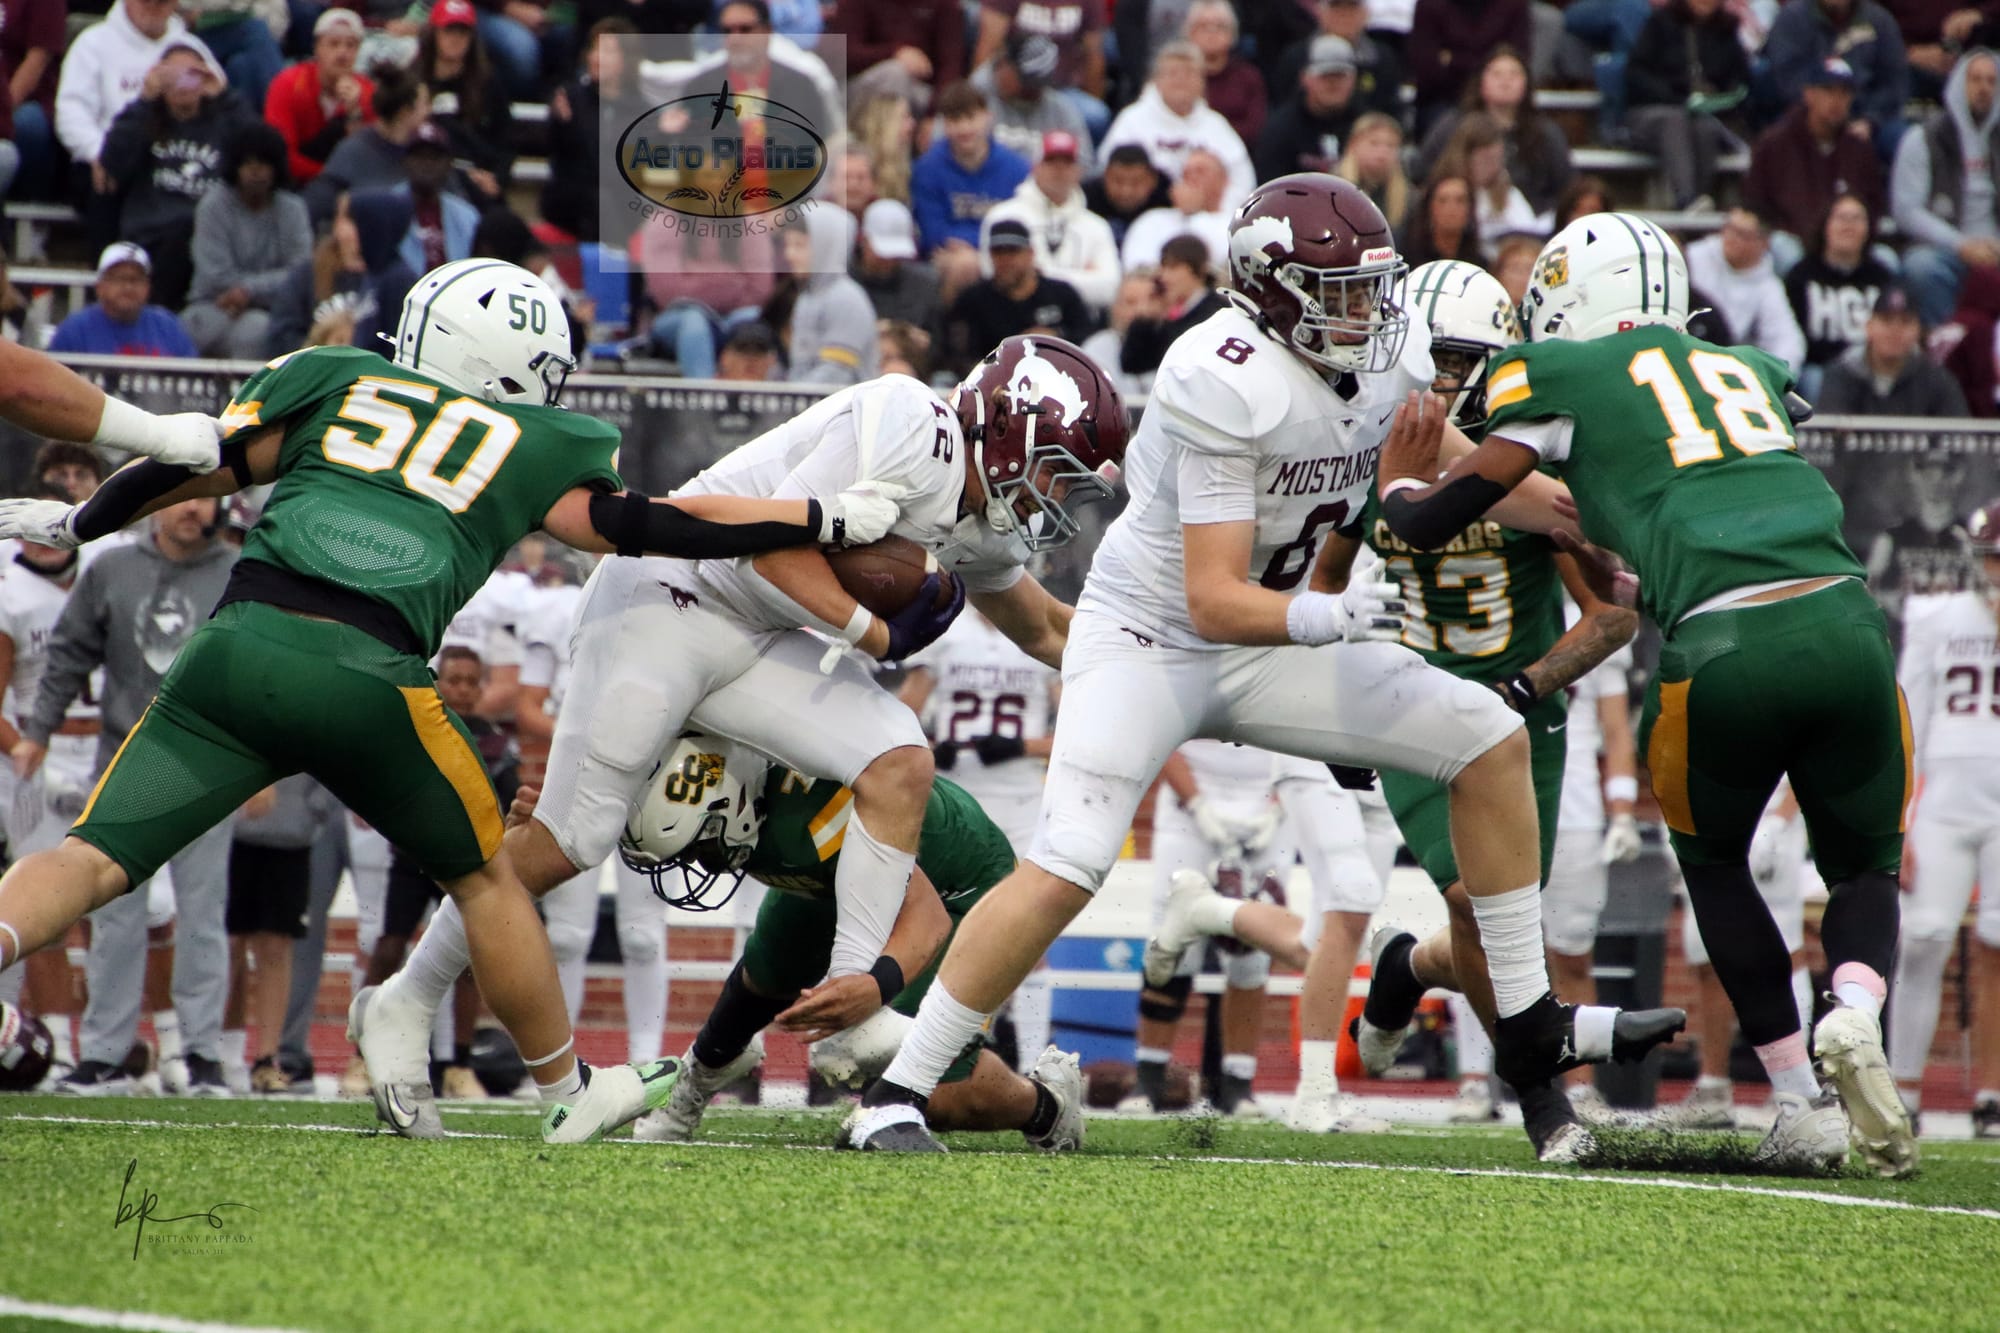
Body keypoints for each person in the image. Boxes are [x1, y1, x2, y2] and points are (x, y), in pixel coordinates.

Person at [844, 176, 1685, 1154]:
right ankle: (897, 1092)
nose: (1367, 312)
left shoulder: (1383, 357)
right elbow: (1211, 596)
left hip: (1273, 641)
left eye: (1372, 288)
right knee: (1068, 860)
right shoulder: (1221, 374)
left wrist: (1603, 522)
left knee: (1488, 736)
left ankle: (1530, 1021)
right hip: (1151, 640)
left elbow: (1471, 473)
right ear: (1273, 293)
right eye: (1342, 292)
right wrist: (1331, 615)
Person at [0, 258, 909, 1143]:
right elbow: (644, 526)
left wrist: (83, 520)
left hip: (237, 647)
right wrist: (818, 518)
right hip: (371, 675)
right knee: (487, 880)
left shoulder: (335, 375)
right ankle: (566, 1090)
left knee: (92, 856)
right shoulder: (533, 439)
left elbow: (202, 461)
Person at [355, 334, 1124, 1138]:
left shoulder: (984, 521)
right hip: (671, 594)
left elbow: (1045, 627)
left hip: (759, 635)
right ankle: (405, 998)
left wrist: (1155, 676)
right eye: (1055, 470)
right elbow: (763, 553)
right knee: (566, 840)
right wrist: (875, 633)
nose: (1054, 498)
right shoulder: (911, 421)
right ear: (1010, 426)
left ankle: (854, 1006)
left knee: (898, 758)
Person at [1374, 211, 1919, 1177]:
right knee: (1865, 872)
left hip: (1720, 645)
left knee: (1716, 868)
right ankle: (1856, 1006)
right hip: (1848, 623)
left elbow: (1429, 519)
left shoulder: (1557, 375)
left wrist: (1395, 487)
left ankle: (1798, 1099)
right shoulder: (1748, 366)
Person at [1352, 259, 1641, 1154]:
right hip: (1410, 701)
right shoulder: (1364, 446)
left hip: (1520, 717)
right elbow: (1319, 582)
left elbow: (1614, 614)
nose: (1440, 381)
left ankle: (1408, 965)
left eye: (1457, 360)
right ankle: (1541, 1097)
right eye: (1428, 357)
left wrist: (1524, 686)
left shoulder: (1527, 463)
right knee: (1477, 905)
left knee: (1492, 919)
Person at [600, 734, 1086, 1149]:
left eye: (702, 845)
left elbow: (926, 917)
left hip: (954, 887)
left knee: (909, 1075)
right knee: (764, 977)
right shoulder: (762, 806)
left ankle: (1046, 1105)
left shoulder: (813, 822)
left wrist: (875, 986)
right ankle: (688, 1091)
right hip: (827, 871)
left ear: (736, 805)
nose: (699, 863)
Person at [23, 497, 240, 1096]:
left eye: (205, 494)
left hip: (211, 762)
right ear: (157, 504)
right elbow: (68, 654)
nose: (193, 506)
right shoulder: (111, 569)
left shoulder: (242, 572)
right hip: (125, 760)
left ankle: (202, 1055)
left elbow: (262, 668)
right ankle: (106, 1054)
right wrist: (38, 731)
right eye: (182, 494)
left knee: (203, 915)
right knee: (114, 913)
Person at [1891, 503, 2000, 1139]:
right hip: (1947, 798)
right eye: (1990, 558)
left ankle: (1991, 1093)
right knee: (1925, 935)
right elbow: (1909, 720)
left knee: (1998, 944)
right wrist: (1901, 818)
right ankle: (1903, 1089)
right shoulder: (1937, 615)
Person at [98, 35, 256, 310]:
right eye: (173, 75)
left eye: (192, 74)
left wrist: (225, 97)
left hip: (213, 238)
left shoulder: (225, 122)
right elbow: (113, 162)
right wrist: (144, 100)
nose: (183, 82)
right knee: (180, 234)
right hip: (153, 237)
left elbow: (260, 152)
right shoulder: (144, 121)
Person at [898, 609, 1059, 857]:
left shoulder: (1038, 632)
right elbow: (900, 719)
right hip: (952, 792)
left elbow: (1080, 736)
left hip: (1022, 799)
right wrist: (930, 751)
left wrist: (1021, 746)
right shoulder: (944, 631)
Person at [224, 773, 336, 1092]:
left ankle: (266, 1058)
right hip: (232, 833)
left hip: (290, 835)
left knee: (276, 944)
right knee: (230, 943)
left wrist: (313, 808)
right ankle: (219, 1051)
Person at [54, 0, 189, 249]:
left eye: (162, 1)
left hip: (175, 161)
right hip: (108, 160)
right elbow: (71, 111)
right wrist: (98, 153)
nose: (153, 6)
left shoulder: (192, 51)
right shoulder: (92, 43)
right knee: (106, 176)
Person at [183, 122, 314, 360]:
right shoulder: (212, 206)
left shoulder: (293, 208)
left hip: (278, 309)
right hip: (212, 307)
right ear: (235, 166)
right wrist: (258, 289)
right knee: (257, 329)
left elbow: (300, 273)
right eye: (247, 164)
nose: (255, 172)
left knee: (270, 327)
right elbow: (216, 277)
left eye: (263, 164)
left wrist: (248, 291)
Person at [1892, 48, 2000, 329]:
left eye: (1991, 81)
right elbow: (1906, 210)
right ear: (1958, 84)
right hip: (1945, 250)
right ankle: (1947, 342)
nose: (1983, 88)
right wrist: (1960, 244)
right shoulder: (1922, 138)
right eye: (1975, 79)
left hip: (1996, 249)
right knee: (1921, 268)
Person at [1743, 58, 1884, 271]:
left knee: (1886, 259)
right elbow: (1755, 204)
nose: (1837, 101)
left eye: (1844, 93)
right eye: (1828, 91)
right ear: (1808, 94)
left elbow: (1873, 206)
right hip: (1791, 240)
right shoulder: (1774, 144)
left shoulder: (1859, 149)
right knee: (1787, 254)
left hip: (1846, 244)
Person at [1416, 47, 1572, 219]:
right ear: (1481, 81)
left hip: (1535, 221)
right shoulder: (1452, 126)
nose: (1505, 81)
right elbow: (1425, 173)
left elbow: (1566, 186)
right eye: (1497, 74)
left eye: (1514, 74)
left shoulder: (1546, 133)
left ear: (1526, 83)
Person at [1624, 0, 1750, 212]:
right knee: (1675, 119)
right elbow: (1637, 74)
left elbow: (1740, 80)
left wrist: (1718, 97)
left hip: (1706, 112)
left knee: (1705, 128)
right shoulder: (1660, 23)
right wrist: (1676, 98)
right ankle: (1685, 198)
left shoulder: (1727, 31)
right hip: (1654, 110)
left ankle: (1699, 201)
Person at [909, 80, 1032, 295]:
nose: (964, 128)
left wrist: (977, 245)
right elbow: (932, 231)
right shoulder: (927, 168)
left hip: (1004, 251)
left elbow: (1021, 224)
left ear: (988, 117)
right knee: (964, 265)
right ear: (944, 124)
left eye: (971, 118)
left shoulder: (1017, 168)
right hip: (947, 257)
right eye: (955, 120)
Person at [1099, 42, 1254, 208]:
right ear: (1156, 80)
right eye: (1172, 73)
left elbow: (1243, 181)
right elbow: (1109, 174)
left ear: (1202, 82)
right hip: (1146, 213)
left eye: (1189, 73)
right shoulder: (1132, 120)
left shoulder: (1216, 125)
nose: (1181, 80)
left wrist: (1215, 206)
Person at [981, 131, 1120, 313]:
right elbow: (992, 274)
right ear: (1035, 167)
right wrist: (1084, 278)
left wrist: (1040, 275)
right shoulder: (1003, 216)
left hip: (1078, 323)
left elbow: (1110, 289)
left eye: (1067, 163)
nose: (1059, 170)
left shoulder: (1096, 226)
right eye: (1051, 161)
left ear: (1079, 170)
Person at [541, 17, 643, 246]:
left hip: (619, 202)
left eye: (606, 51)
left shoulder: (641, 111)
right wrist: (563, 124)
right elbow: (564, 158)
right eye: (594, 49)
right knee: (598, 198)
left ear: (626, 60)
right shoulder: (571, 99)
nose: (596, 58)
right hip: (571, 198)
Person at [941, 220, 1091, 376]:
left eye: (1013, 251)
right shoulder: (973, 301)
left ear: (1030, 253)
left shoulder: (1062, 294)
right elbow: (958, 354)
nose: (1005, 260)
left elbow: (1088, 337)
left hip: (1059, 377)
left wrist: (1056, 338)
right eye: (998, 252)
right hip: (996, 381)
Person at [1764, 0, 1909, 160]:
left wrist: (1870, 120)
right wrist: (1830, 117)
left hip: (1869, 117)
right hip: (1810, 117)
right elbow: (1789, 79)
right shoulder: (1792, 18)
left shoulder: (1879, 20)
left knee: (1904, 143)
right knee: (1778, 143)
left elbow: (1894, 82)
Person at [1785, 194, 1895, 402]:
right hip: (1819, 366)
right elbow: (1794, 335)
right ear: (1825, 225)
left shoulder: (1881, 277)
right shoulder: (1801, 275)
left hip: (1870, 367)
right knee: (1817, 380)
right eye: (1841, 218)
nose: (1848, 226)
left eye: (1856, 219)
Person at [1816, 282, 1969, 416]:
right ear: (1869, 326)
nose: (1895, 331)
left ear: (1918, 330)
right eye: (1886, 320)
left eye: (1906, 322)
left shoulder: (1938, 381)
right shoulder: (1842, 375)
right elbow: (1830, 432)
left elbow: (1956, 434)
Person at [303, 66, 431, 225]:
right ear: (405, 112)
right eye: (425, 104)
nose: (429, 111)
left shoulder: (427, 149)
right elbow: (314, 207)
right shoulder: (352, 151)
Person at [1685, 211, 1808, 376]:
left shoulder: (1768, 286)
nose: (1731, 238)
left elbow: (1787, 340)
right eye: (1729, 229)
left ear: (1764, 243)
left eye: (1742, 234)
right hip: (1686, 346)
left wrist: (1773, 377)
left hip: (1730, 366)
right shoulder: (1694, 257)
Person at [264, 8, 374, 187]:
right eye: (333, 44)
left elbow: (370, 157)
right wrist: (329, 176)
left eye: (351, 45)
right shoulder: (288, 84)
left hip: (351, 183)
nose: (342, 53)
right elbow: (282, 154)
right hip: (298, 181)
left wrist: (355, 112)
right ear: (317, 48)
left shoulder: (368, 91)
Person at [418, 0, 513, 208]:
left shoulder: (488, 83)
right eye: (449, 31)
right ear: (434, 34)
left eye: (463, 32)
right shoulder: (414, 81)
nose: (456, 39)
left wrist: (496, 178)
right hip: (425, 176)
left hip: (479, 178)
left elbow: (506, 140)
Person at [972, 0, 1110, 141]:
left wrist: (1094, 94)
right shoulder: (982, 84)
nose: (1030, 92)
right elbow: (988, 44)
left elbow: (1094, 55)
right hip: (1006, 85)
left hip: (1061, 86)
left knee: (1094, 114)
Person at [781, 208, 881, 385]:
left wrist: (793, 394)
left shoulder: (846, 299)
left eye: (800, 245)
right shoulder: (807, 298)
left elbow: (836, 373)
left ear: (825, 246)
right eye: (788, 245)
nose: (789, 254)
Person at [971, 31, 1095, 173]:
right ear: (1003, 65)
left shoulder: (1059, 107)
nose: (1033, 92)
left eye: (1038, 85)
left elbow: (1085, 164)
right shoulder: (975, 98)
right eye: (1026, 84)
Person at [48, 243, 200, 359]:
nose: (128, 287)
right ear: (100, 286)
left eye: (135, 279)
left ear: (148, 287)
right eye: (119, 279)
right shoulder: (74, 330)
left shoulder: (169, 327)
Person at [1429, 112, 1547, 260]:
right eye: (1485, 159)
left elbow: (1528, 234)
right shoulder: (1448, 190)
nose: (1492, 166)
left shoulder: (1509, 194)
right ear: (1465, 156)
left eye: (1496, 159)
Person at [1406, 0, 1529, 134]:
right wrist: (1486, 64)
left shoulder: (1513, 5)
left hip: (1501, 101)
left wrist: (1453, 60)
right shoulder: (1430, 5)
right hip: (1443, 98)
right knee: (1443, 124)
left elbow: (1517, 59)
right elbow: (1427, 70)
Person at [1253, 34, 1359, 184]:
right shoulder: (1281, 129)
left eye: (1340, 77)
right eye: (1325, 77)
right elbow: (1271, 188)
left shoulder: (1365, 124)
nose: (1333, 85)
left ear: (1353, 79)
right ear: (1305, 78)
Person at [1117, 234, 1222, 377]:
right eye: (1163, 268)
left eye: (1172, 268)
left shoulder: (1217, 311)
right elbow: (1131, 364)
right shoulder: (1169, 315)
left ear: (1196, 270)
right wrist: (1146, 321)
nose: (1164, 276)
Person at [839, 0, 966, 116]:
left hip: (921, 92)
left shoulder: (945, 4)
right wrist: (895, 53)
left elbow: (951, 65)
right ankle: (887, 132)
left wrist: (933, 115)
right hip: (862, 90)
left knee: (953, 107)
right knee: (895, 73)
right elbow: (841, 54)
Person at [1119, 147, 1230, 273]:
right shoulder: (1153, 219)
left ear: (1223, 180)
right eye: (1186, 173)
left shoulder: (1235, 224)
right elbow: (1136, 268)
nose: (1192, 177)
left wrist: (1194, 214)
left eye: (1200, 171)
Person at [2, 0, 67, 201]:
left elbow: (37, 59)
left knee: (28, 125)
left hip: (25, 101)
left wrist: (4, 108)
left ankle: (30, 204)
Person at [852, 200, 942, 335]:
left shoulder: (924, 285)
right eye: (882, 254)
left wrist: (923, 341)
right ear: (864, 240)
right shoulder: (843, 282)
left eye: (895, 254)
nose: (888, 261)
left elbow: (938, 338)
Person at [1184, 1, 1264, 147]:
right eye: (1203, 26)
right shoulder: (1178, 77)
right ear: (1190, 33)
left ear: (1232, 34)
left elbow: (1255, 127)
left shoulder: (1248, 77)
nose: (1211, 33)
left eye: (1220, 26)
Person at [1335, 112, 1410, 236]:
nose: (1383, 152)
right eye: (1374, 143)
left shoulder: (1409, 197)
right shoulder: (1332, 187)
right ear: (1353, 145)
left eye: (1391, 146)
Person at [1084, 143, 1171, 249]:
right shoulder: (1085, 198)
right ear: (1105, 177)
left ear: (1152, 180)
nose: (1126, 191)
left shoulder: (1168, 198)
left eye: (1136, 182)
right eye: (1118, 181)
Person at [1398, 173, 1481, 269]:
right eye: (1443, 200)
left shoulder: (1479, 264)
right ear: (1429, 207)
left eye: (1460, 200)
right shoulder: (1404, 259)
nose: (1452, 208)